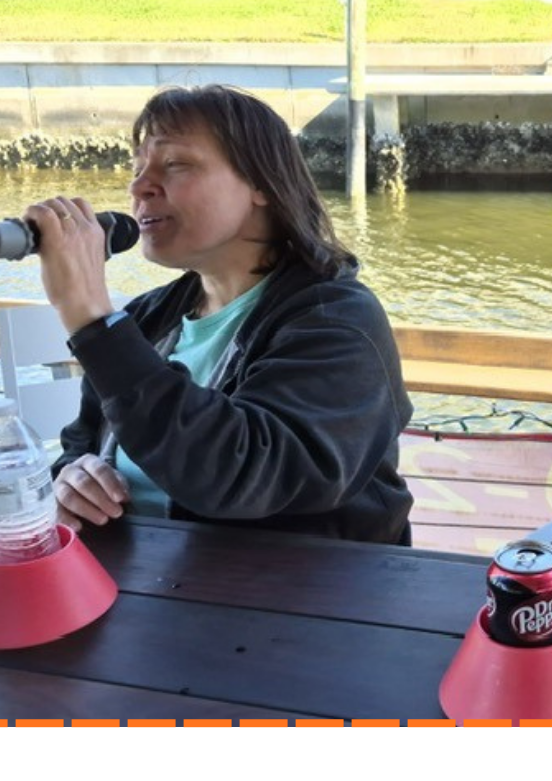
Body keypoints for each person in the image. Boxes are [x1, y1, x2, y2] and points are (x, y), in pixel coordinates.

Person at [23, 84, 415, 545]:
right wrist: (73, 479)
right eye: (137, 169)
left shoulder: (338, 321)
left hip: (299, 600)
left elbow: (243, 474)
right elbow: (82, 442)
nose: (139, 186)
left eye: (175, 165)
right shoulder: (147, 319)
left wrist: (91, 319)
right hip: (149, 584)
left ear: (262, 185)